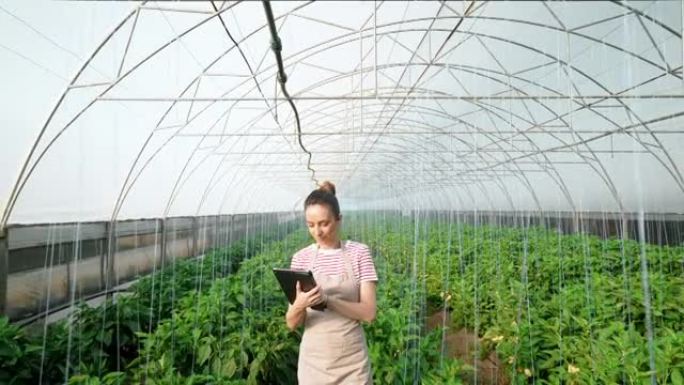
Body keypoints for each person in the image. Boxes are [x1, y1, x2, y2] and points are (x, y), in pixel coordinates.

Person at [286, 181, 378, 385]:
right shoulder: (300, 259)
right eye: (311, 225)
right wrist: (300, 305)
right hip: (314, 365)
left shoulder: (359, 253)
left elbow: (369, 313)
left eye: (324, 223)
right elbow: (292, 323)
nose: (317, 232)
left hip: (353, 365)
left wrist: (327, 301)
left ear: (339, 219)